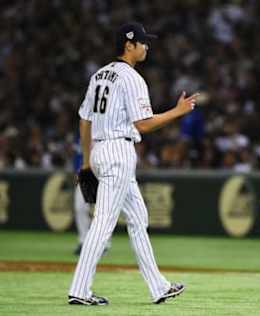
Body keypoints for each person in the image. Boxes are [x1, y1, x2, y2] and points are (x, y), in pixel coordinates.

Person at [68, 22, 199, 305]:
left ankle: (158, 286)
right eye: (142, 42)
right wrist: (177, 112)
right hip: (118, 151)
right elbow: (144, 123)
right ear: (129, 45)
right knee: (103, 224)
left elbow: (84, 120)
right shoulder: (131, 78)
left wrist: (88, 161)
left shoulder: (99, 75)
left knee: (139, 219)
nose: (146, 46)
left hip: (102, 151)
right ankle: (79, 290)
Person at [71, 133, 110, 256]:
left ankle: (103, 243)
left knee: (103, 211)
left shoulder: (106, 131)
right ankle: (83, 241)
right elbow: (78, 156)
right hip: (86, 175)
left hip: (103, 175)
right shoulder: (81, 134)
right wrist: (77, 171)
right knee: (80, 207)